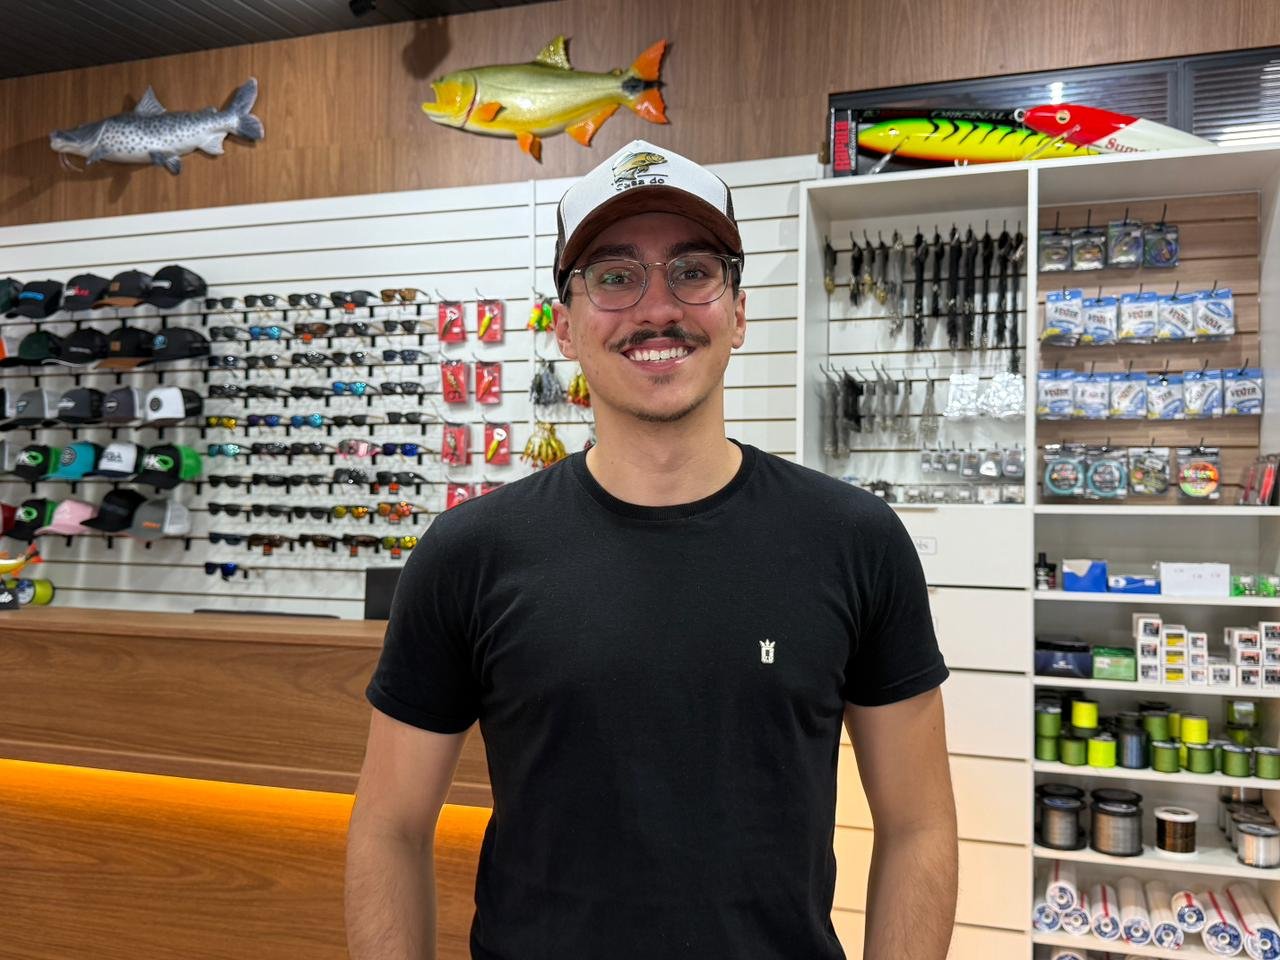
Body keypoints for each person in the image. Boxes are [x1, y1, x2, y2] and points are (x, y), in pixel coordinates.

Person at [345, 139, 957, 960]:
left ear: (739, 312)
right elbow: (388, 828)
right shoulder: (470, 553)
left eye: (693, 271)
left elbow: (919, 826)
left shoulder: (855, 539)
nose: (657, 308)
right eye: (614, 276)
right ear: (565, 326)